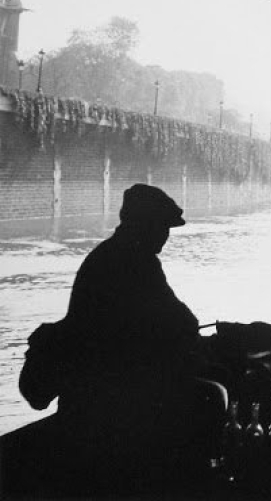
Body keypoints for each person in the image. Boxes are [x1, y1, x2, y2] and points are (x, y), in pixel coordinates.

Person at [58, 184, 210, 487]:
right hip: (115, 400)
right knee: (208, 395)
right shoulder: (138, 261)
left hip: (87, 392)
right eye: (164, 228)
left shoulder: (105, 255)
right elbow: (182, 322)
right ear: (148, 226)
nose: (166, 236)